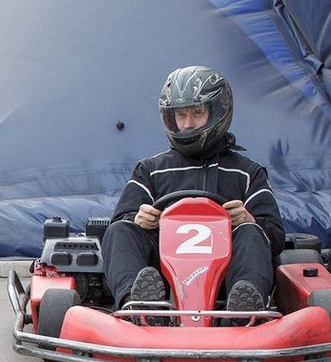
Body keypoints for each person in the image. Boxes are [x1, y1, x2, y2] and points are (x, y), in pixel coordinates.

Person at [101, 66, 284, 321]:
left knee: (253, 232)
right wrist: (138, 219)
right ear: (170, 118)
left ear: (217, 112)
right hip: (164, 276)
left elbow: (275, 235)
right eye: (181, 115)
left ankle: (243, 310)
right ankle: (139, 306)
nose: (187, 124)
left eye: (197, 113)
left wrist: (248, 219)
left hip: (225, 275)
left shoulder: (246, 172)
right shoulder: (151, 170)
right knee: (120, 230)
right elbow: (121, 220)